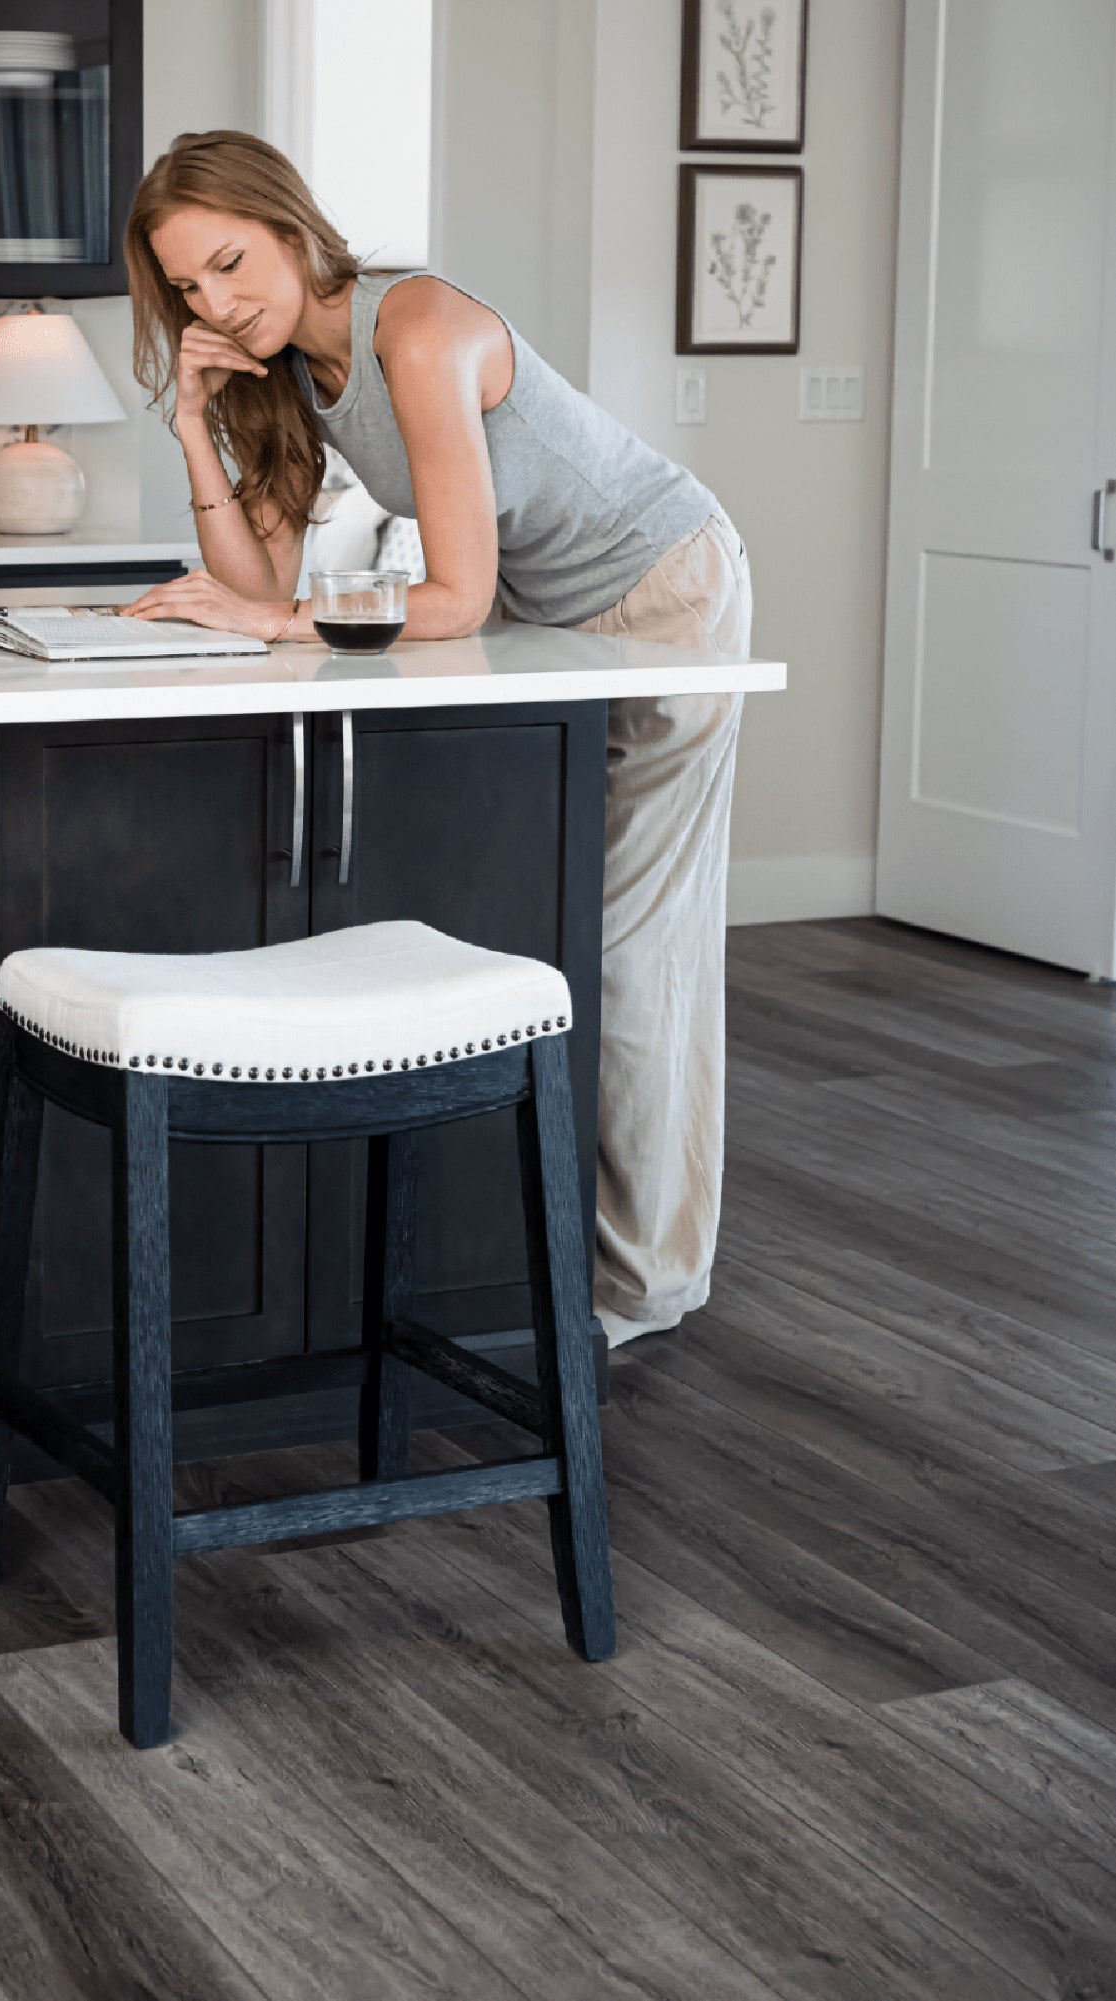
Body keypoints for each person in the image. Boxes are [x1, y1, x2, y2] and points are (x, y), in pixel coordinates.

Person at [120, 130, 752, 1349]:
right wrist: (194, 421)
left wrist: (270, 620)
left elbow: (450, 598)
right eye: (189, 288)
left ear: (294, 229)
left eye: (232, 264)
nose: (218, 305)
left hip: (664, 591)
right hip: (549, 620)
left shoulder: (414, 328)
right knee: (539, 921)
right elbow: (258, 579)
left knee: (631, 938)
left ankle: (643, 1286)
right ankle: (530, 1260)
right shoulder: (289, 370)